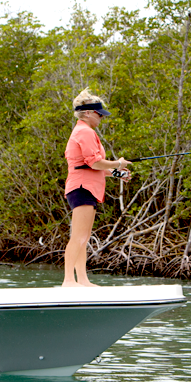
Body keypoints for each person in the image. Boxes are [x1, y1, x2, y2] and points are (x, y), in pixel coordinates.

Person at [62, 89, 131, 287]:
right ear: (88, 113)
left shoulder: (84, 131)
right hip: (82, 188)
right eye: (99, 113)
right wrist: (118, 164)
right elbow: (95, 163)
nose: (101, 117)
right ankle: (68, 280)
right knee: (79, 236)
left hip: (86, 187)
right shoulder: (85, 132)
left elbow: (92, 165)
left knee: (84, 237)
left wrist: (118, 173)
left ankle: (82, 280)